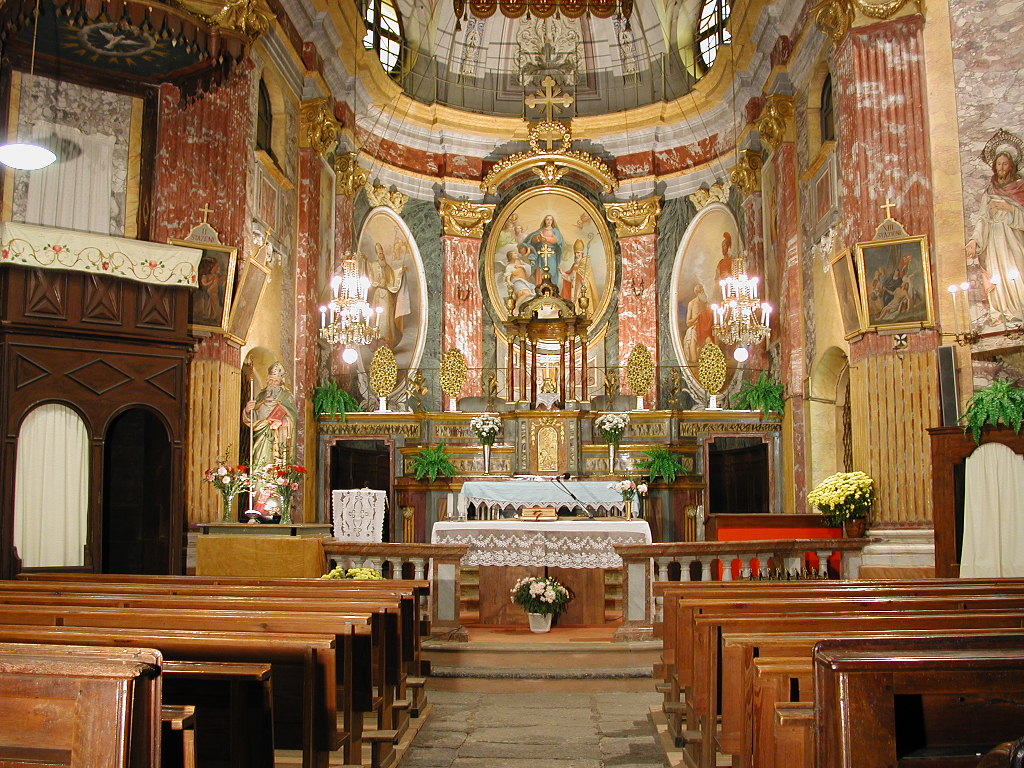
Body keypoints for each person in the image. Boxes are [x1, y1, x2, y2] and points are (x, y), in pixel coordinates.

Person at [966, 148, 1024, 325]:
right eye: (999, 164)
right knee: (997, 273)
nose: (1002, 167)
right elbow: (983, 218)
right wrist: (974, 240)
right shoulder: (990, 190)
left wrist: (1010, 208)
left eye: (1005, 164)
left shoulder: (1020, 187)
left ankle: (1020, 309)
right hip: (994, 239)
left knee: (1018, 269)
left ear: (1011, 166)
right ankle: (1003, 311)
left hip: (1014, 235)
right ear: (994, 167)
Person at [242, 361, 299, 477]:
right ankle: (259, 483)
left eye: (276, 381)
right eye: (271, 380)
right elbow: (254, 418)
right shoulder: (261, 396)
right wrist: (248, 410)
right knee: (259, 460)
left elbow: (293, 418)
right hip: (261, 434)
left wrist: (282, 422)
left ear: (281, 382)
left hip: (279, 436)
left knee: (276, 464)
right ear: (267, 380)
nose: (273, 383)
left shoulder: (286, 397)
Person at [522, 214, 565, 288]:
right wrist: (537, 238)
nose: (549, 221)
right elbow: (533, 240)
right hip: (541, 254)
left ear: (553, 221)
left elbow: (557, 240)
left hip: (551, 254)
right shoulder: (541, 231)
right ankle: (541, 288)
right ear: (545, 221)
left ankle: (552, 288)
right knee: (541, 270)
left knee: (552, 271)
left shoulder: (555, 231)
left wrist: (545, 238)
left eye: (551, 219)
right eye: (547, 219)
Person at [683, 282, 714, 366]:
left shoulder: (706, 304)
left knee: (711, 343)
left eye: (704, 292)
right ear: (698, 293)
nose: (704, 294)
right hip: (694, 328)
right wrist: (698, 317)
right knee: (694, 359)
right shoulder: (692, 303)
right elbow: (688, 323)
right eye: (702, 292)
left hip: (705, 328)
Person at [504, 247, 534, 312]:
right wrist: (509, 283)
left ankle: (516, 308)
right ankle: (515, 308)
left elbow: (528, 267)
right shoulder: (509, 266)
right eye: (514, 253)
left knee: (526, 294)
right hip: (517, 282)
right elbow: (508, 277)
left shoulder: (519, 262)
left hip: (524, 281)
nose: (516, 254)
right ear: (511, 256)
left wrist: (521, 266)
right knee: (526, 293)